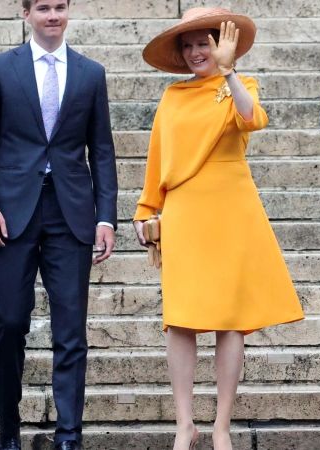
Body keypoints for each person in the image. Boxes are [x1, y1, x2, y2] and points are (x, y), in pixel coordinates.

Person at [133, 7, 304, 450]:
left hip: (232, 209)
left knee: (230, 322)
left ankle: (221, 426)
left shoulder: (240, 85)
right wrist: (146, 207)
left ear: (220, 45)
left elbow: (253, 119)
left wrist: (228, 73)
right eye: (187, 46)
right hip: (185, 210)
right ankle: (184, 424)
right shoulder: (173, 96)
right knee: (181, 319)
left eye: (202, 44)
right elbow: (157, 157)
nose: (194, 53)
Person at [0, 0, 118, 448]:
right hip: (11, 214)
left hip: (71, 212)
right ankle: (8, 434)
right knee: (11, 321)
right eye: (43, 7)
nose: (53, 15)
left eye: (60, 6)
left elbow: (102, 150)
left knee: (71, 329)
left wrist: (106, 216)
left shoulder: (91, 73)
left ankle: (68, 435)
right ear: (26, 13)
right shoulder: (0, 68)